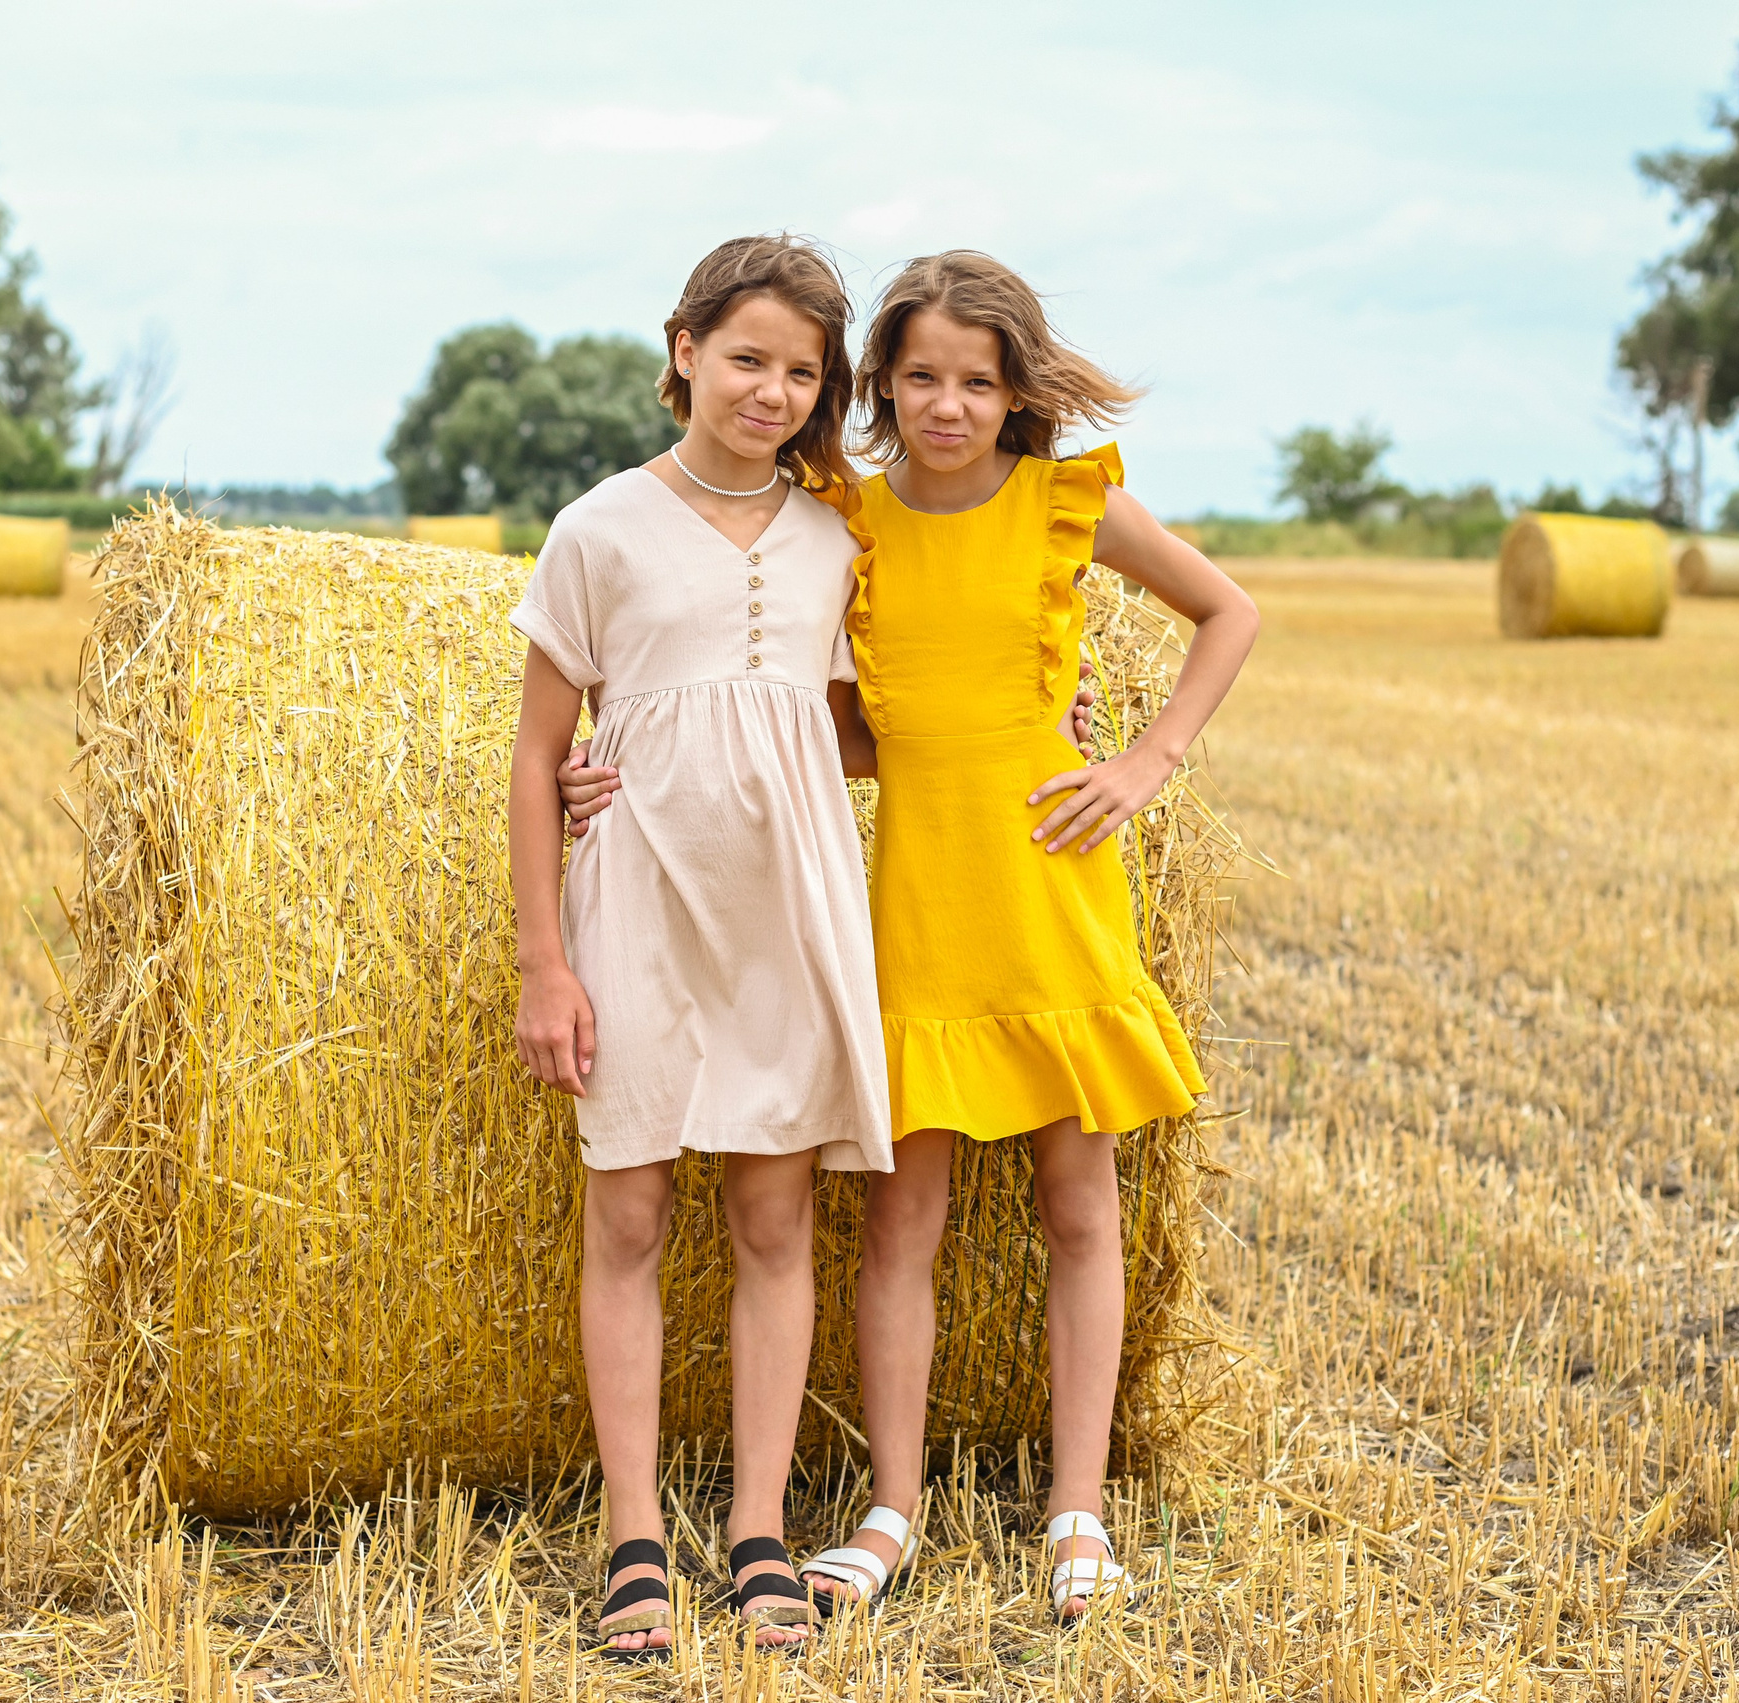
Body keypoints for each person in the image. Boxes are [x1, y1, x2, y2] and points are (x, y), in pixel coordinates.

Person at [565, 249, 1260, 1626]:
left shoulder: (1067, 503)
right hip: (912, 901)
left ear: (1017, 393)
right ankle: (892, 1508)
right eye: (924, 378)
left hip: (1048, 886)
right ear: (880, 385)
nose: (950, 406)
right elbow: (805, 711)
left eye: (979, 383)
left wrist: (1144, 762)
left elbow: (1229, 612)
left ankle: (1078, 1509)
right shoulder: (851, 523)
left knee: (1080, 1203)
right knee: (902, 1217)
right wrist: (615, 763)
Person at [506, 234, 885, 1657]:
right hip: (639, 904)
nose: (770, 390)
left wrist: (1046, 720)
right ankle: (633, 1538)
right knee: (629, 1217)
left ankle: (760, 1532)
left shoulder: (838, 539)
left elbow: (846, 731)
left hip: (786, 912)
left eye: (802, 372)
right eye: (746, 358)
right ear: (684, 352)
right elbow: (537, 756)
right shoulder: (598, 528)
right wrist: (544, 964)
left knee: (775, 1223)